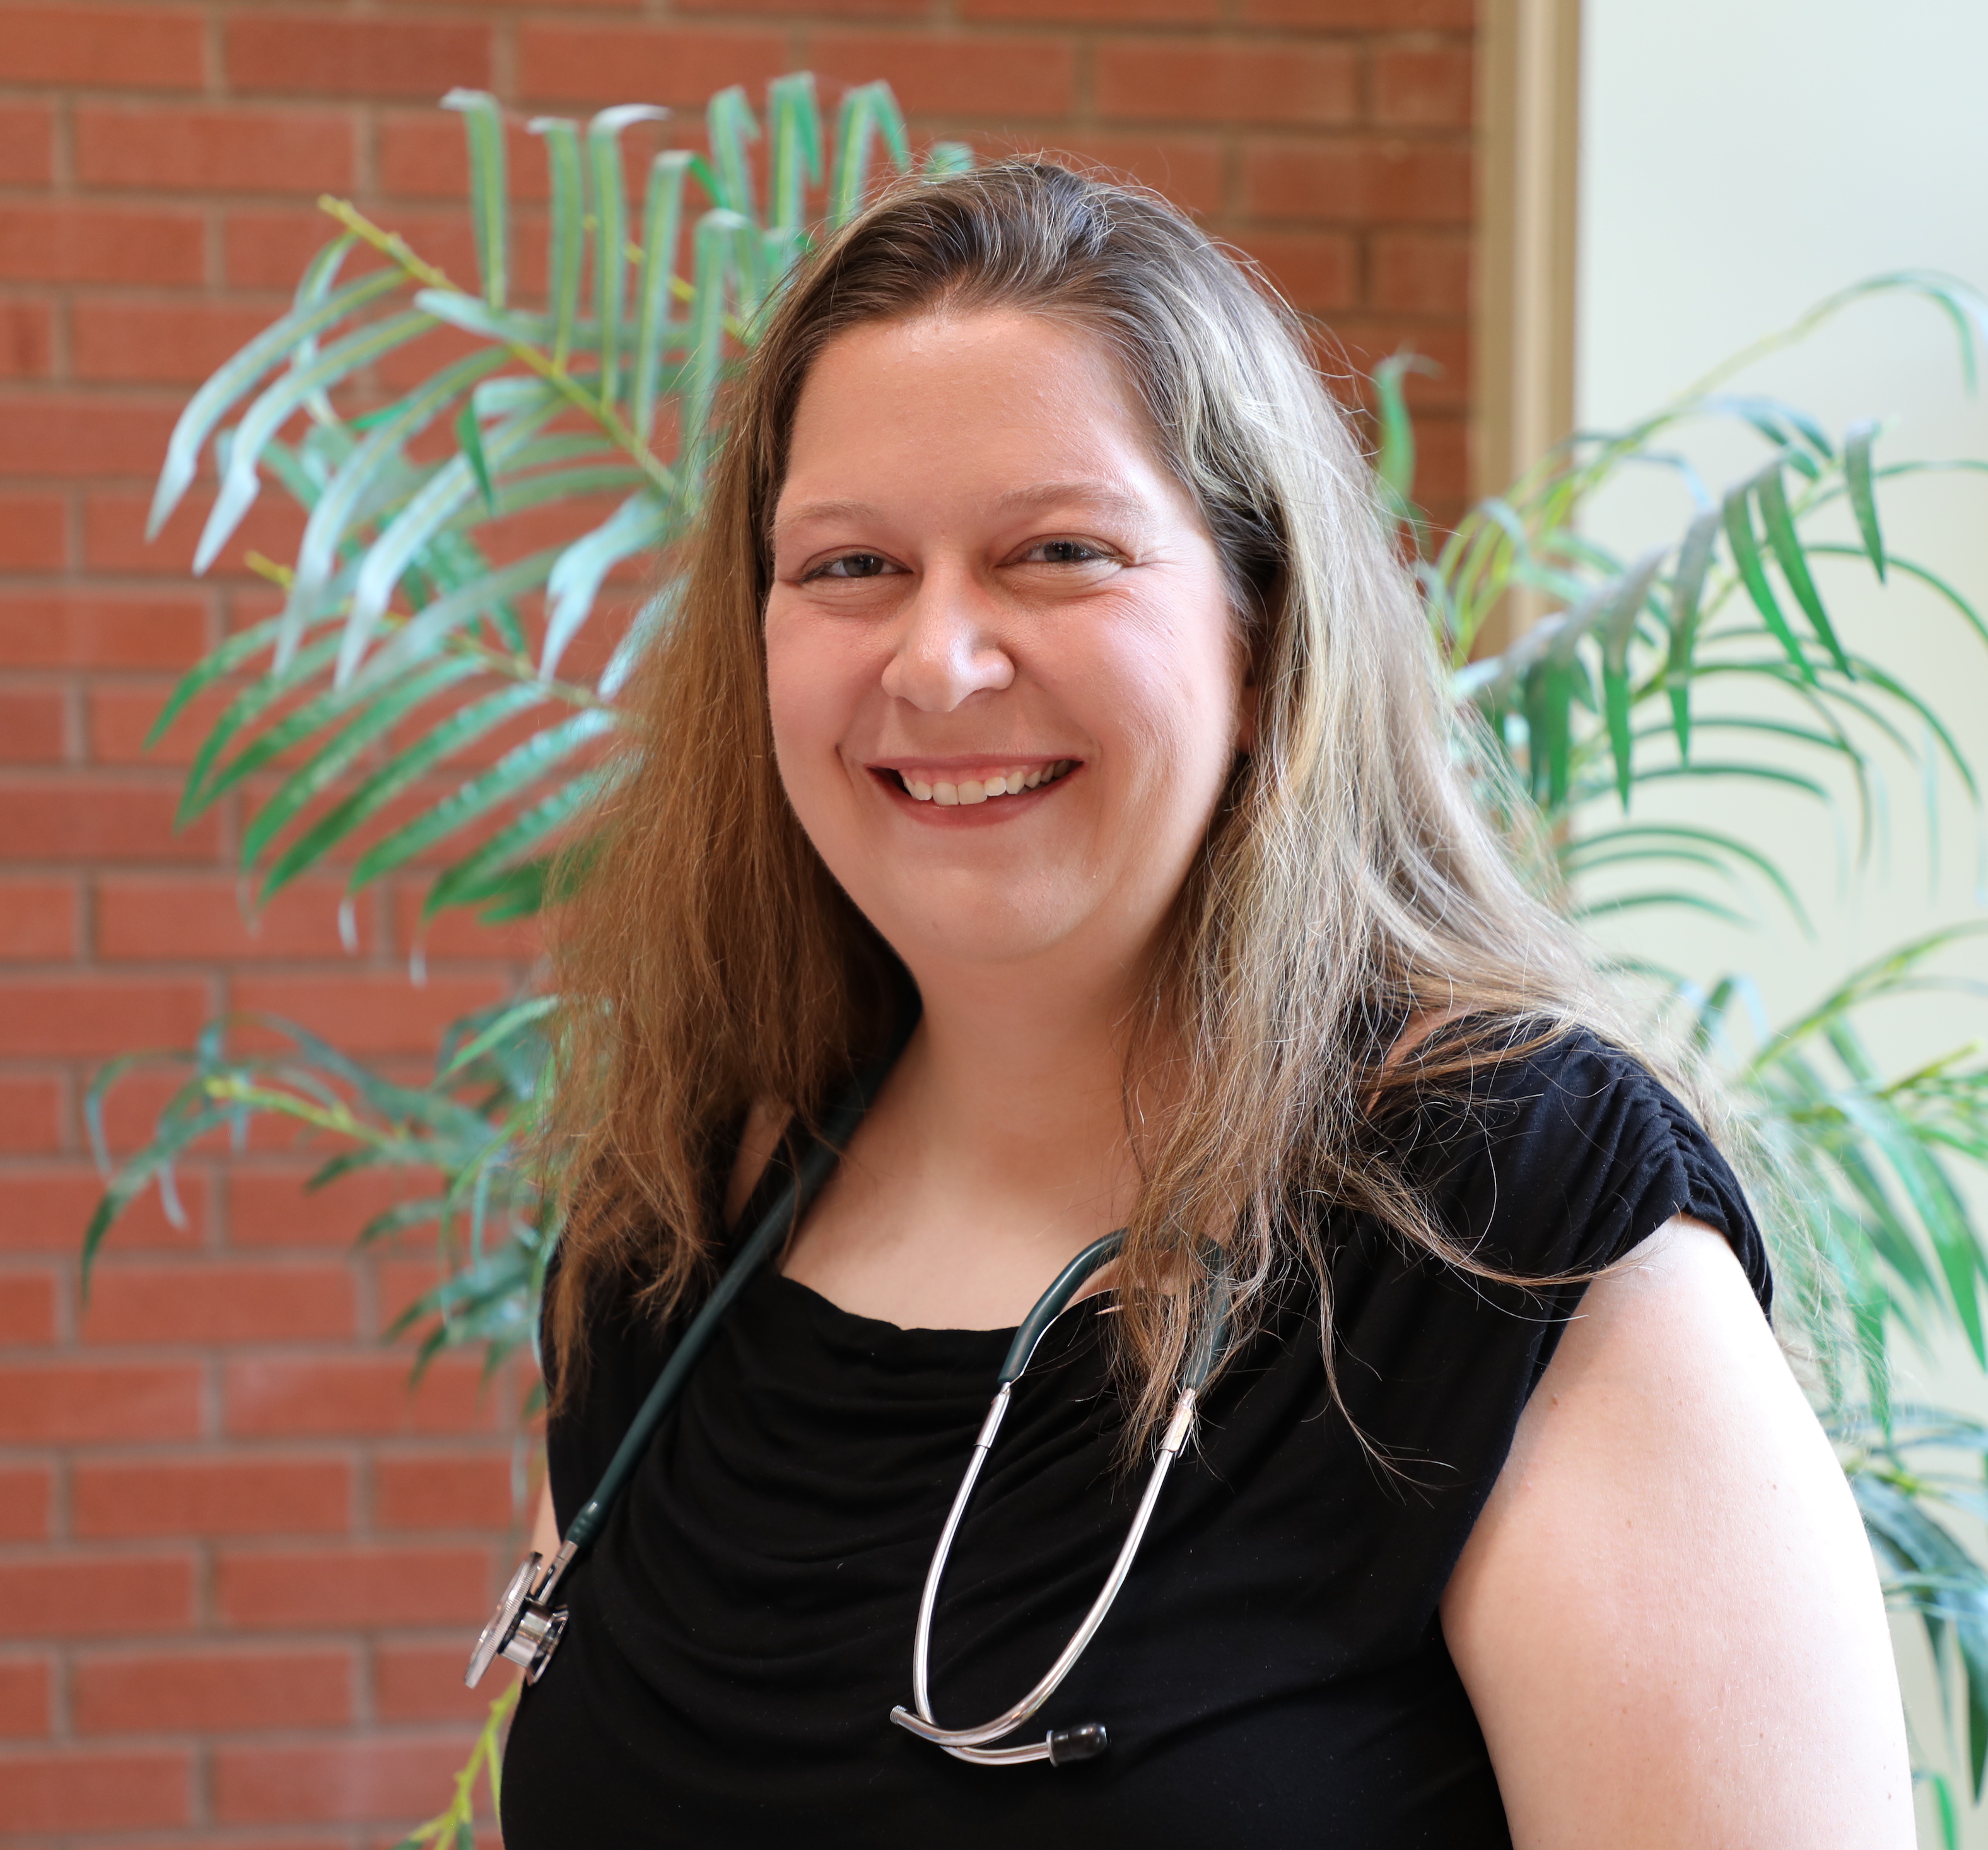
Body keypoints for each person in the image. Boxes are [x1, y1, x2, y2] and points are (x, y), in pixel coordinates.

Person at [491, 158, 1910, 1846]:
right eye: (851, 565)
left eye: (1059, 552)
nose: (937, 661)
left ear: (1264, 630)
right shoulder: (672, 1224)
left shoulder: (1525, 1237)